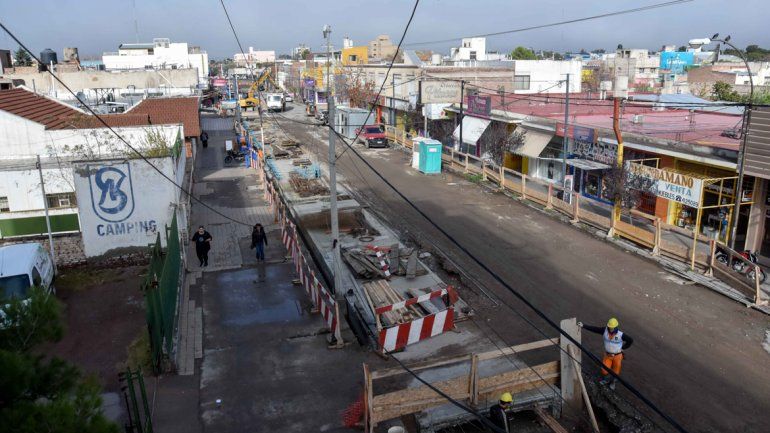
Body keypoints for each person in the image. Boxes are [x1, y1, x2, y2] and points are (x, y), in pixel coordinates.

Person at [578, 317, 634, 390]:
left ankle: (613, 382)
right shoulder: (604, 331)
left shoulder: (621, 335)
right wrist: (583, 326)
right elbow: (595, 329)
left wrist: (623, 348)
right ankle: (607, 379)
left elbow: (630, 340)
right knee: (604, 371)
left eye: (612, 327)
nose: (610, 329)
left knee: (615, 372)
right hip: (608, 355)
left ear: (615, 327)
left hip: (617, 356)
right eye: (609, 327)